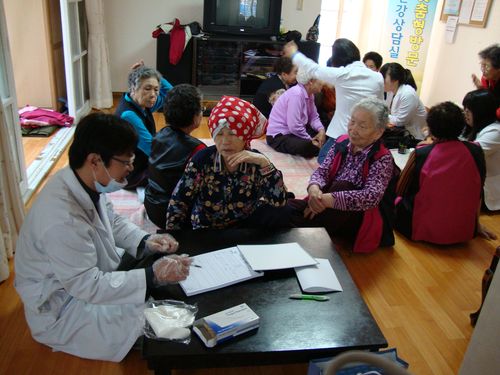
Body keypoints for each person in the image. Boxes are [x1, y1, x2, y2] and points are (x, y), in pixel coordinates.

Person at [14, 113, 191, 362]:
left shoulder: (82, 181)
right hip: (64, 306)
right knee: (167, 328)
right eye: (125, 161)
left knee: (160, 283)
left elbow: (112, 221)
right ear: (95, 160)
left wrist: (144, 241)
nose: (131, 168)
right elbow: (86, 284)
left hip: (86, 275)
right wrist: (153, 276)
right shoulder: (60, 218)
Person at [286, 97, 400, 253]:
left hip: (360, 218)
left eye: (362, 126)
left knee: (342, 186)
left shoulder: (382, 158)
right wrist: (314, 188)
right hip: (327, 204)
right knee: (288, 207)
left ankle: (299, 232)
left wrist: (328, 200)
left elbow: (370, 197)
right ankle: (295, 226)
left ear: (378, 132)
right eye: (352, 122)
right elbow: (323, 171)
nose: (353, 129)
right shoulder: (341, 142)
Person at [166, 96, 288, 230]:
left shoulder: (256, 162)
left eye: (232, 134)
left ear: (245, 135)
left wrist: (265, 163)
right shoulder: (201, 161)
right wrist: (174, 237)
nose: (225, 142)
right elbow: (179, 201)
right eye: (219, 134)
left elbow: (279, 202)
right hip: (207, 229)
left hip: (245, 227)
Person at [395, 102, 487, 244]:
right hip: (464, 231)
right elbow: (479, 190)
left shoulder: (422, 153)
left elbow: (400, 189)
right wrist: (477, 224)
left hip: (420, 229)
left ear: (431, 128)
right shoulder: (476, 150)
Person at [283, 39, 384, 164]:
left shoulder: (342, 74)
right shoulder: (378, 77)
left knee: (323, 159)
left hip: (343, 134)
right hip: (368, 136)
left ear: (337, 59)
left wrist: (294, 53)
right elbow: (381, 106)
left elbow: (313, 68)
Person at [144, 84, 206, 229]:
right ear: (194, 116)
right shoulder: (197, 149)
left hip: (151, 205)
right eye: (201, 110)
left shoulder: (159, 135)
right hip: (174, 216)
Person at [115, 61, 173, 188]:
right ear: (133, 88)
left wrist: (153, 75)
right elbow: (154, 151)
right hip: (130, 173)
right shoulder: (128, 115)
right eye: (147, 88)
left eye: (156, 89)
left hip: (141, 160)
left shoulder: (141, 103)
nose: (153, 95)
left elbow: (172, 95)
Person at [266, 69, 326, 157]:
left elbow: (313, 117)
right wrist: (310, 140)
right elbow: (294, 126)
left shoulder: (310, 95)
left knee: (325, 137)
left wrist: (321, 130)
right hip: (279, 136)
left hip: (293, 132)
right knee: (309, 146)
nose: (323, 83)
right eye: (321, 80)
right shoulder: (296, 94)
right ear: (310, 82)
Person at [462, 89, 500, 211]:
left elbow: (468, 154)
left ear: (481, 112)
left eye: (469, 110)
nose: (465, 113)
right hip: (474, 182)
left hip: (487, 190)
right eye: (465, 109)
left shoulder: (495, 131)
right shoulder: (474, 128)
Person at [380, 62, 427, 140]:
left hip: (414, 137)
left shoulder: (408, 94)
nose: (381, 80)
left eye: (384, 77)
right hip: (401, 132)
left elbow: (400, 121)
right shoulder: (391, 92)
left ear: (395, 80)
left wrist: (379, 115)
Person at [471, 44, 500, 119]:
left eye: (486, 66)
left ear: (498, 69)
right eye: (482, 65)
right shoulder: (486, 79)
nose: (483, 70)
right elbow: (486, 102)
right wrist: (481, 90)